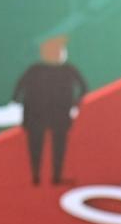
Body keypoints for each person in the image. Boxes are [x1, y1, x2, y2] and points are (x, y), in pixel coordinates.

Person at [13, 35, 88, 185]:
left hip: (49, 116)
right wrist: (75, 105)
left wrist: (75, 105)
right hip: (44, 116)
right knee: (44, 145)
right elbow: (83, 88)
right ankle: (42, 177)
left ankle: (48, 177)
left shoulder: (60, 69)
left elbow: (83, 88)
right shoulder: (40, 70)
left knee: (49, 145)